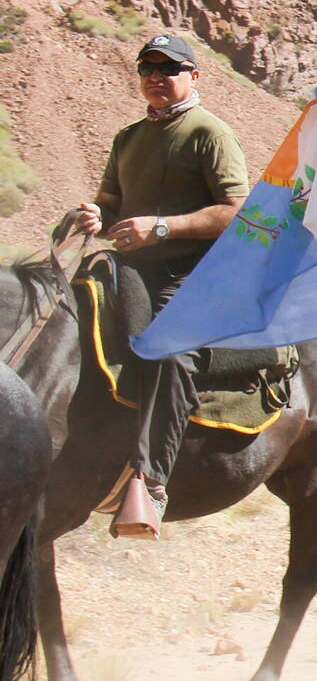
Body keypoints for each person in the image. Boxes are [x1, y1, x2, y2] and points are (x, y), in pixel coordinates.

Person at [75, 34, 249, 540]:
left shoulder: (209, 132)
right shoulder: (128, 136)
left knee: (168, 351)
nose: (156, 76)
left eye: (169, 68)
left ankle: (150, 482)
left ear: (194, 76)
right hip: (131, 266)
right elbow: (111, 199)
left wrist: (163, 227)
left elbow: (234, 212)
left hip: (191, 271)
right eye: (147, 67)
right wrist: (95, 213)